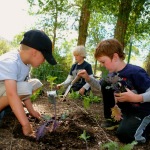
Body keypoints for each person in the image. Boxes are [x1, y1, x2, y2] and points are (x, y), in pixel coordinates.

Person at [77, 38, 150, 143]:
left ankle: (146, 130)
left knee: (125, 135)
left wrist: (137, 97)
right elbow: (101, 87)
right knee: (106, 83)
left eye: (103, 61)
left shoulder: (135, 72)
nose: (102, 65)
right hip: (127, 112)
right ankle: (114, 120)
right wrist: (88, 78)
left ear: (115, 57)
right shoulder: (111, 75)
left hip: (142, 112)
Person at [0, 29, 57, 137]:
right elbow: (12, 94)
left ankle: (7, 109)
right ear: (34, 52)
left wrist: (31, 111)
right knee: (25, 87)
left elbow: (23, 89)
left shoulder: (26, 65)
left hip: (3, 90)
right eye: (44, 57)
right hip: (6, 90)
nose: (44, 61)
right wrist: (26, 125)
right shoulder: (11, 62)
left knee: (35, 83)